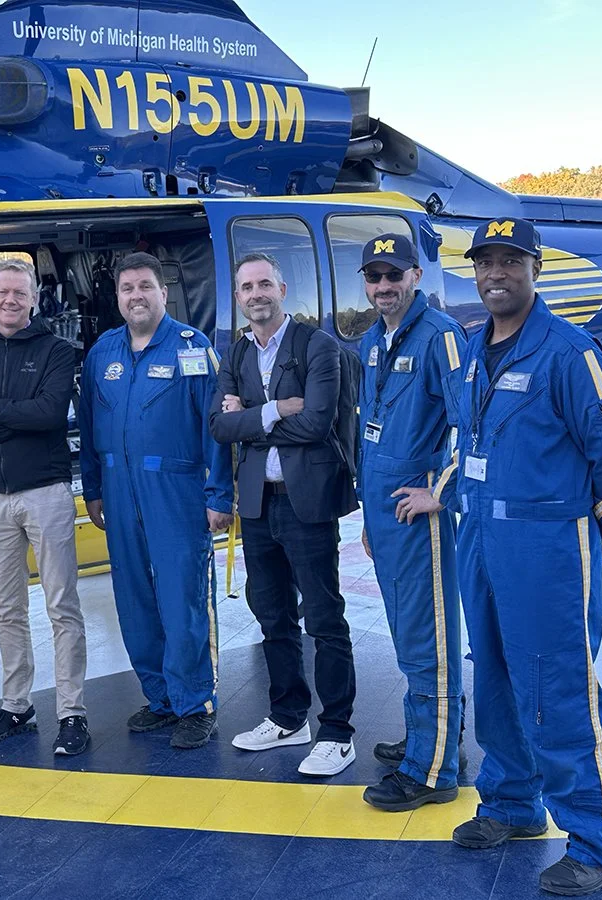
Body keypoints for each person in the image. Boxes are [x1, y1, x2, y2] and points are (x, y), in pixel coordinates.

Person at [446, 218, 602, 896]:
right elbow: (468, 441)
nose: (496, 274)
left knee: (558, 688)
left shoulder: (569, 352)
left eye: (511, 261)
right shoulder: (471, 349)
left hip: (545, 546)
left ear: (535, 270)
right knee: (493, 676)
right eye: (485, 262)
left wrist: (580, 530)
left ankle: (596, 839)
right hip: (481, 538)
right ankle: (512, 803)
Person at [209, 252, 359, 777]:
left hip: (306, 501)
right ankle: (288, 716)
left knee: (323, 616)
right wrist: (276, 410)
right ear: (238, 297)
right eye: (247, 287)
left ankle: (337, 731)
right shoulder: (236, 352)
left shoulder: (318, 345)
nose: (256, 294)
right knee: (272, 615)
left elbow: (317, 423)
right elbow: (219, 427)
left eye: (264, 284)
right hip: (257, 502)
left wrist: (249, 419)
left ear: (282, 289)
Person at [77, 251, 234, 749]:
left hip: (176, 493)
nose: (136, 296)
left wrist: (219, 494)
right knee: (134, 599)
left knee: (183, 598)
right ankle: (161, 698)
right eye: (127, 288)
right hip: (118, 493)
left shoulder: (192, 348)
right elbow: (89, 428)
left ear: (163, 293)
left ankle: (195, 702)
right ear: (117, 296)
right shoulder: (102, 352)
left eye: (146, 286)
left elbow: (216, 429)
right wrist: (93, 489)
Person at [0, 258, 89, 756]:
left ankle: (71, 712)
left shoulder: (56, 351)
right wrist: (16, 418)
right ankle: (16, 705)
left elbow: (50, 414)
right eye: (2, 292)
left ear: (32, 299)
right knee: (7, 608)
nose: (10, 300)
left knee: (61, 605)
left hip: (45, 492)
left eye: (19, 293)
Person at [351, 233, 467, 810]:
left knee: (430, 642)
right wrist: (369, 517)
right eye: (374, 276)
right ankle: (431, 737)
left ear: (415, 277)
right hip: (387, 516)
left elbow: (472, 423)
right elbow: (369, 433)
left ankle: (433, 770)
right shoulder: (372, 341)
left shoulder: (441, 337)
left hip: (420, 518)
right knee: (408, 638)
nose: (383, 286)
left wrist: (440, 493)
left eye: (394, 274)